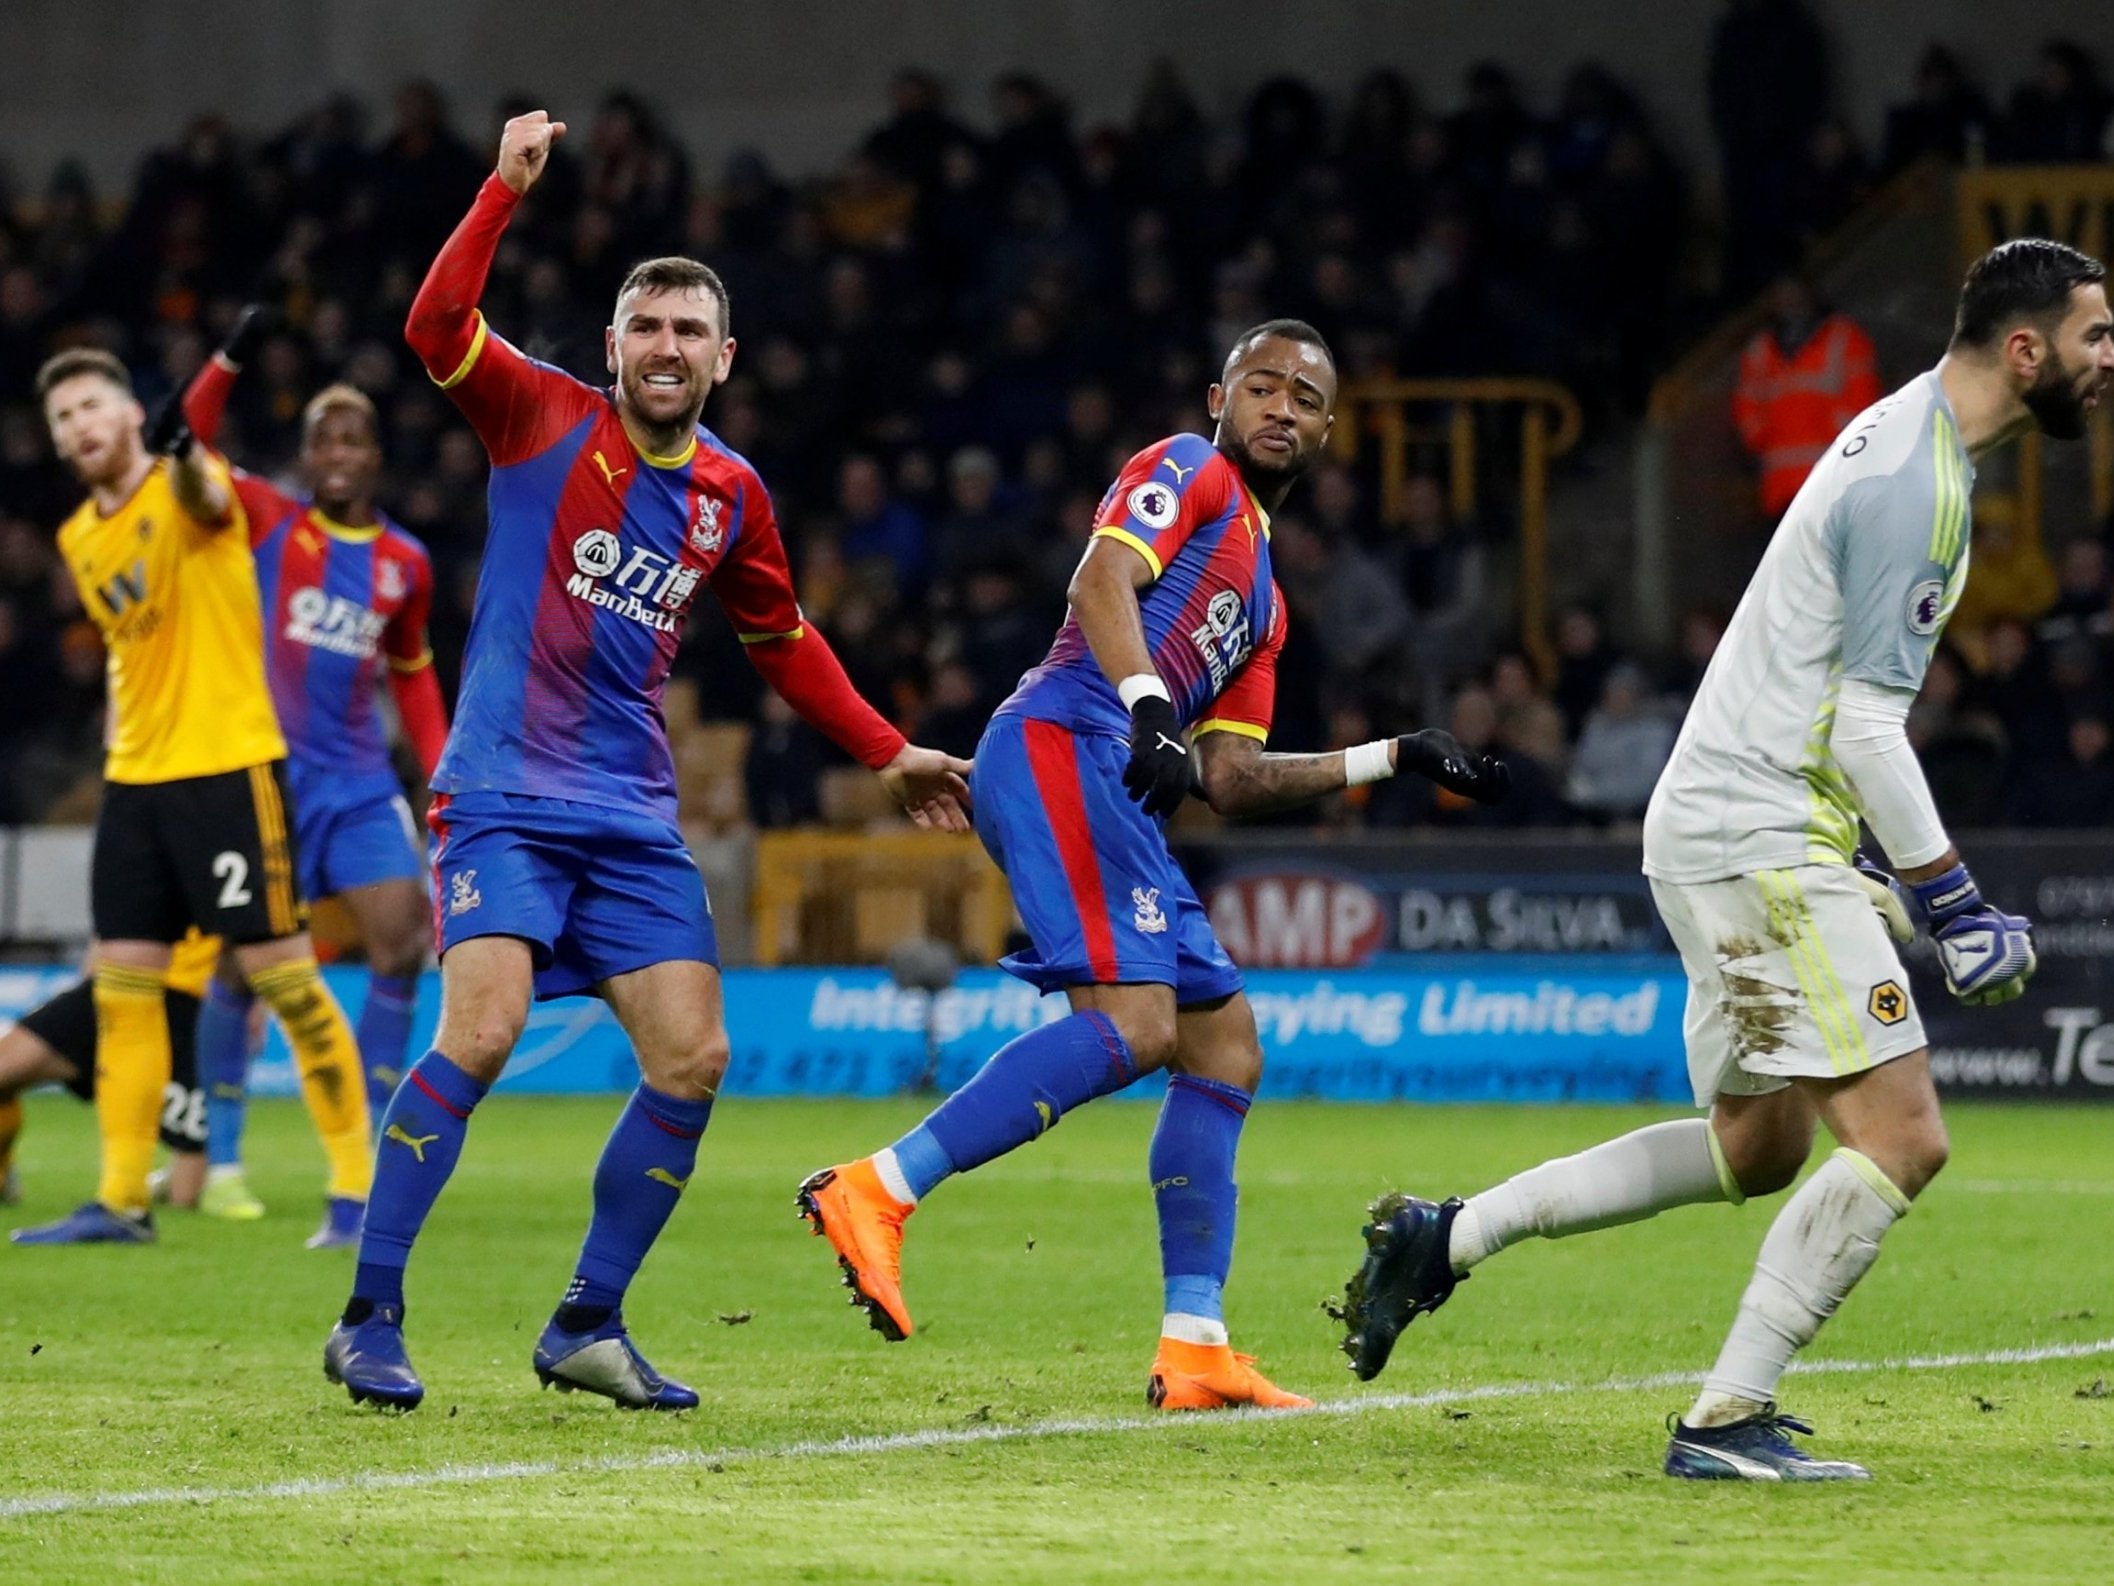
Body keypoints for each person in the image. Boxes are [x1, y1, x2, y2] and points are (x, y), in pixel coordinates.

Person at [1338, 239, 2113, 1480]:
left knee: (1756, 1148)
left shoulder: (1905, 442)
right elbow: (1862, 722)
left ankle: (1444, 1236)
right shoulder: (1917, 483)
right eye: (2094, 337)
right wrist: (1951, 900)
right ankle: (1722, 1418)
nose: (2107, 360)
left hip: (1727, 817)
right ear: (2025, 350)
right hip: (1754, 829)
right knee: (1902, 1135)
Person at [323, 110, 971, 1413]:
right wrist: (500, 193)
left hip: (627, 813)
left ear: (722, 357)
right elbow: (434, 330)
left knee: (693, 1056)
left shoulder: (732, 495)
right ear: (611, 345)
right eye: (645, 325)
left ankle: (585, 1323)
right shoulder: (538, 414)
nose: (664, 347)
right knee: (485, 1026)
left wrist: (889, 748)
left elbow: (782, 640)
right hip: (501, 792)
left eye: (688, 330)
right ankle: (368, 1313)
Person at [798, 320, 1508, 1411]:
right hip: (1063, 739)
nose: (1280, 407)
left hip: (1114, 768)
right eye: (1261, 386)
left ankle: (1195, 1345)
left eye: (1304, 398)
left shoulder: (1264, 604)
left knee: (1221, 1043)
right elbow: (1098, 583)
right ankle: (876, 1188)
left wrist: (1391, 754)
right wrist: (1143, 706)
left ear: (1326, 428)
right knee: (1136, 1023)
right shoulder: (1188, 468)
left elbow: (1228, 776)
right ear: (1218, 393)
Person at [14, 348, 372, 1247]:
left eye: (91, 406)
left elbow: (211, 503)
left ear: (131, 413)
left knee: (284, 982)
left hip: (228, 767)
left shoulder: (189, 480)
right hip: (135, 783)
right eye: (63, 419)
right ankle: (121, 1201)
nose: (79, 427)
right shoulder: (77, 539)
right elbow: (136, 660)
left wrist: (183, 453)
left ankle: (357, 1193)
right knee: (122, 992)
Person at [171, 319, 450, 1225]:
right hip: (267, 783)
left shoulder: (405, 564)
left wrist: (442, 780)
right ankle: (220, 1162)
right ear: (307, 455)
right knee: (239, 965)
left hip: (363, 786)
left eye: (354, 439)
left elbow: (410, 675)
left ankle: (363, 1137)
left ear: (376, 456)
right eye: (324, 439)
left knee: (402, 940)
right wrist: (228, 360)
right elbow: (187, 438)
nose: (339, 453)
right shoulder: (269, 520)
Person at [0, 933, 220, 1211]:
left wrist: (245, 1006)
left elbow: (246, 931)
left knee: (185, 1195)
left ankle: (136, 1194)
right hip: (116, 984)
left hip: (191, 1002)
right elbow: (112, 917)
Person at [1733, 273, 1882, 521]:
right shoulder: (1760, 350)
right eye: (1781, 295)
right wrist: (1763, 437)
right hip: (1782, 492)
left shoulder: (1844, 339)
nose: (1788, 303)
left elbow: (1863, 402)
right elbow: (1747, 409)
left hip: (1833, 486)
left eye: (1793, 293)